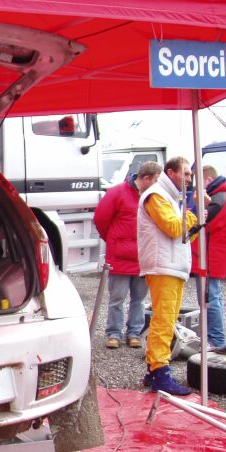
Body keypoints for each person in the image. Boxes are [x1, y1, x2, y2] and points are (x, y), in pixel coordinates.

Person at [137, 156, 203, 395]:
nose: (189, 178)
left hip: (171, 265)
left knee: (166, 319)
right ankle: (159, 372)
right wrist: (194, 214)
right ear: (170, 172)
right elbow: (175, 228)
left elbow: (183, 236)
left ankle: (154, 370)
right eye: (184, 173)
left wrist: (192, 220)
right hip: (162, 265)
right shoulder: (157, 196)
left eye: (189, 174)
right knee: (163, 321)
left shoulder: (169, 198)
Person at [94, 162, 159, 349]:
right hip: (121, 258)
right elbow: (100, 219)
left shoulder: (151, 196)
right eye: (155, 179)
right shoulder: (116, 193)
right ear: (146, 178)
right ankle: (114, 333)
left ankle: (134, 333)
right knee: (117, 298)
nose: (157, 183)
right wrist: (114, 240)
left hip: (142, 258)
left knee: (139, 299)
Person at [189, 165, 226, 349]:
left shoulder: (217, 200)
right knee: (212, 298)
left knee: (209, 299)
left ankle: (216, 340)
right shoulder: (223, 197)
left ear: (206, 180)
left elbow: (198, 225)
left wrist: (199, 205)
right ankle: (215, 338)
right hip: (214, 255)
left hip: (209, 257)